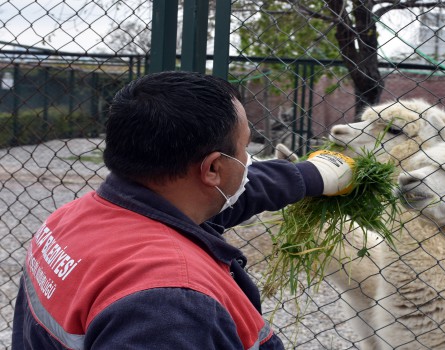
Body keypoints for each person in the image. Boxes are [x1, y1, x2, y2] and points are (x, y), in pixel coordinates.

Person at [12, 71, 354, 349]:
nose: (250, 162)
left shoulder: (73, 218)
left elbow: (230, 196)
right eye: (246, 147)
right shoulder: (171, 307)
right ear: (213, 170)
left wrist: (312, 175)